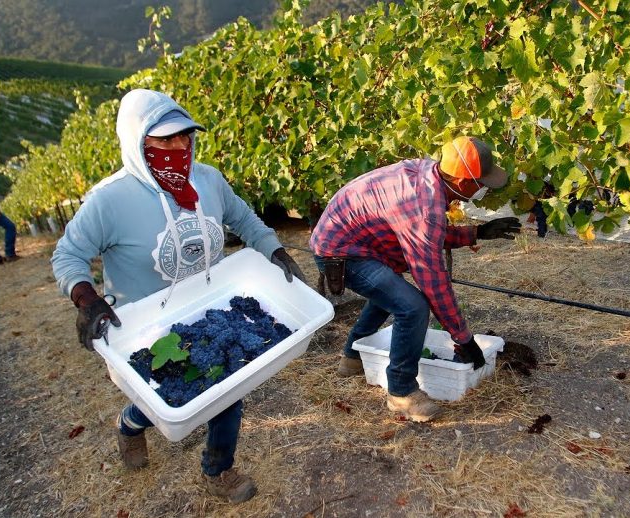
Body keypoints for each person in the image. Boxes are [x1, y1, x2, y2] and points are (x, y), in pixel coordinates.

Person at [50, 88, 306, 503]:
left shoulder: (206, 179)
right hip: (145, 324)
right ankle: (131, 425)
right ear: (137, 142)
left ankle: (217, 470)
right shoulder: (109, 201)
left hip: (209, 309)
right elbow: (68, 254)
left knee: (224, 391)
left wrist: (272, 248)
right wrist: (85, 298)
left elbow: (243, 218)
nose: (179, 146)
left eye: (185, 136)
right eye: (164, 140)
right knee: (165, 396)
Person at [310, 136, 521, 422]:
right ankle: (401, 392)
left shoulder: (429, 176)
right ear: (462, 183)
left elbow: (427, 233)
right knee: (413, 307)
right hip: (341, 253)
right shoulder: (424, 206)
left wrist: (476, 233)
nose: (484, 187)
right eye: (481, 182)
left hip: (356, 243)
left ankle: (352, 357)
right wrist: (463, 338)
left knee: (392, 295)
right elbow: (433, 280)